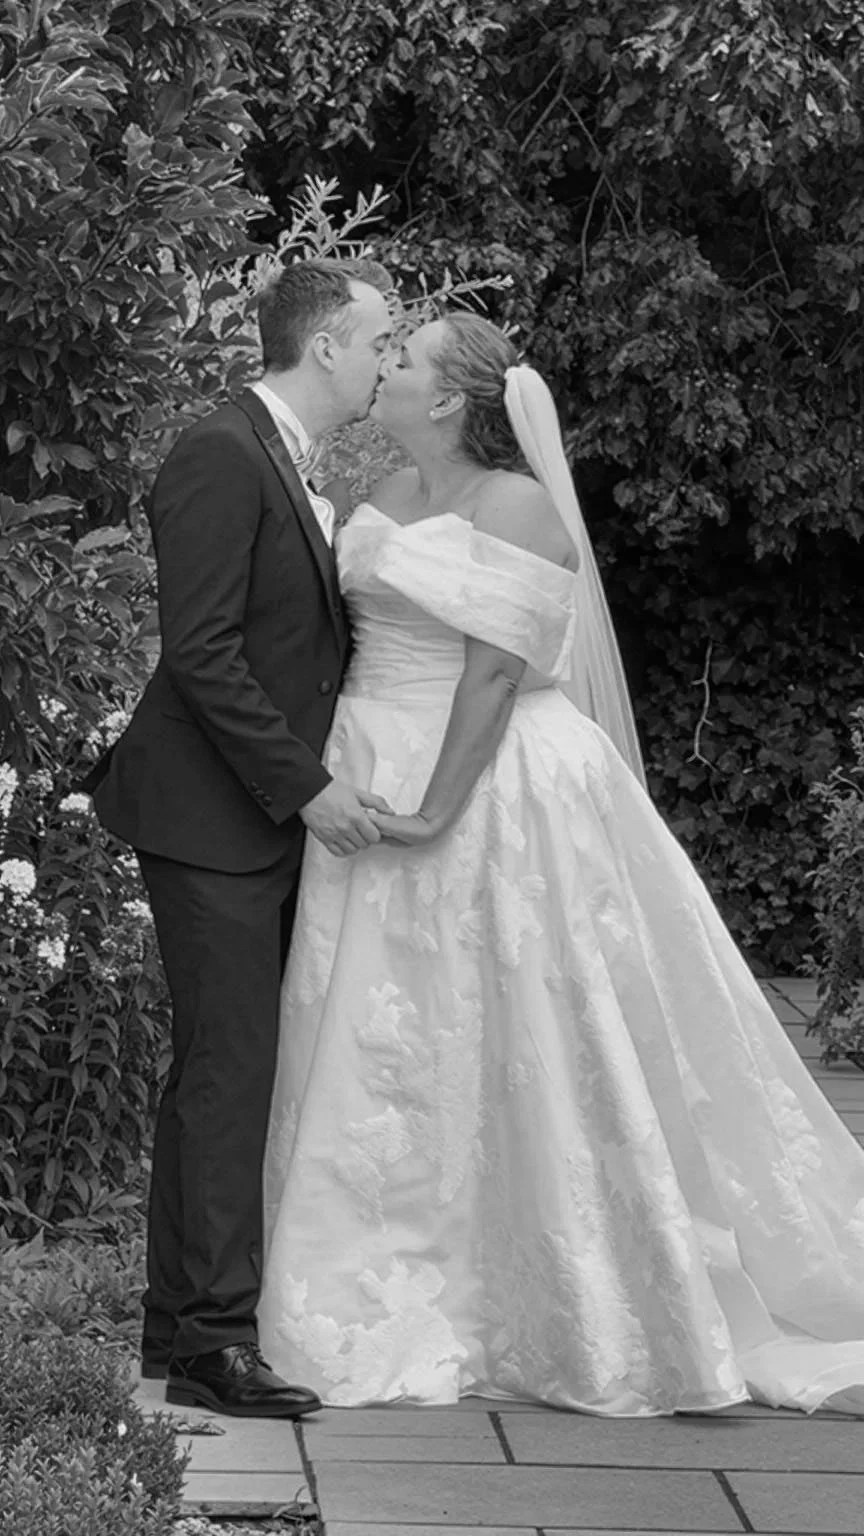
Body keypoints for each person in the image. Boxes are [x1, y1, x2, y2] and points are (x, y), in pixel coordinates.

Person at [257, 311, 864, 1416]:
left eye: (405, 361)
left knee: (533, 1012)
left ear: (448, 401)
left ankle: (578, 1284)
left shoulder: (522, 508)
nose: (385, 369)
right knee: (381, 1023)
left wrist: (436, 811)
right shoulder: (380, 498)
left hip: (490, 788)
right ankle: (395, 1271)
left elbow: (493, 676)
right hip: (370, 760)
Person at [82, 258, 394, 1418]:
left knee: (216, 1069)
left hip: (242, 817)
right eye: (376, 340)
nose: (381, 361)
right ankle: (216, 1343)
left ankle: (179, 1328)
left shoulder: (280, 455)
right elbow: (201, 651)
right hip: (215, 817)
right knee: (230, 1070)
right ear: (324, 347)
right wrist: (308, 788)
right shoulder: (221, 451)